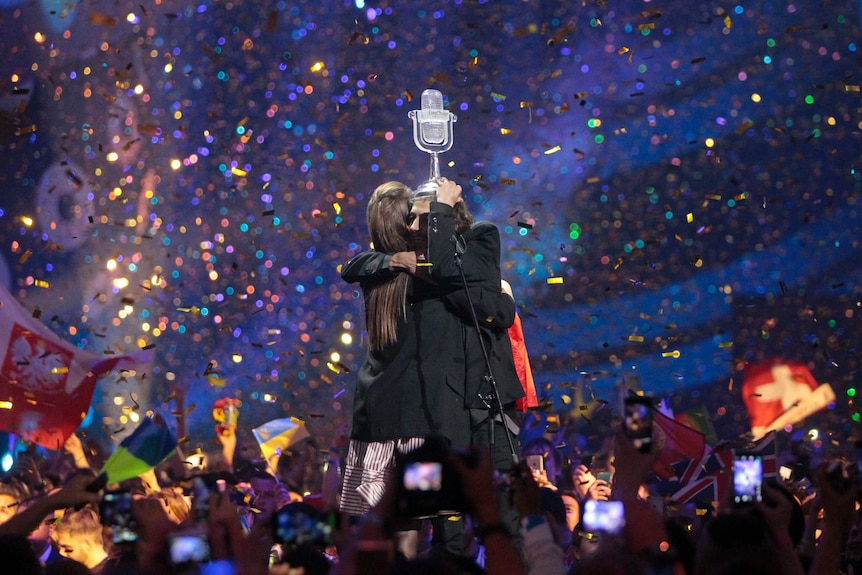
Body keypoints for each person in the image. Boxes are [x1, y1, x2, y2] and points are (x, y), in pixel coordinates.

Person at [340, 178, 523, 558]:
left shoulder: (391, 274)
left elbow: (352, 265)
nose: (415, 228)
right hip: (421, 430)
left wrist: (392, 257)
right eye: (412, 221)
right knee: (433, 528)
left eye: (422, 219)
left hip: (384, 425)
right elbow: (359, 265)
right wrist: (504, 299)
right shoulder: (417, 273)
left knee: (398, 531)